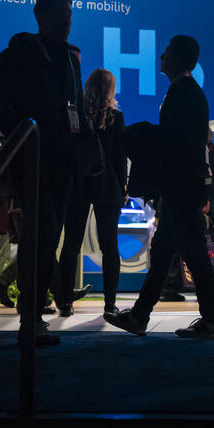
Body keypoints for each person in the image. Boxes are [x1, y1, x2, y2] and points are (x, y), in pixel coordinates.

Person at [106, 35, 214, 339]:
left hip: (181, 186)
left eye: (167, 53)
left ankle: (211, 321)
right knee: (164, 253)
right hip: (183, 185)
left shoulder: (183, 94)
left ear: (178, 59)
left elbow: (175, 142)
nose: (161, 56)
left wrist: (140, 135)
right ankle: (141, 316)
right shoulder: (187, 92)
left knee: (192, 255)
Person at [0, 0, 87, 345]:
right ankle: (30, 317)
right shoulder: (18, 55)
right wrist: (26, 133)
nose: (67, 19)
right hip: (34, 161)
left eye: (70, 13)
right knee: (39, 239)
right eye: (62, 13)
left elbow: (77, 109)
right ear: (41, 16)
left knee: (48, 240)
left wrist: (84, 150)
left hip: (64, 162)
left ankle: (33, 314)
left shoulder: (71, 58)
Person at [74, 68, 127, 317]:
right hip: (109, 185)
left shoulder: (78, 115)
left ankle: (64, 302)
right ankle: (109, 304)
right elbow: (119, 158)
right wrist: (124, 187)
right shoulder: (117, 117)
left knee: (71, 245)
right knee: (110, 246)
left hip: (80, 182)